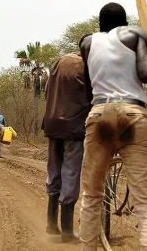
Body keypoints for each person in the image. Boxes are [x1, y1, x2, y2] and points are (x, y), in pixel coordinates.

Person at [79, 2, 147, 250]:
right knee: (146, 201)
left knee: (91, 196)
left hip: (99, 114)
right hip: (132, 114)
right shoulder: (135, 33)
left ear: (100, 26)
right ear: (124, 23)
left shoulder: (87, 43)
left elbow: (88, 89)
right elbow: (145, 73)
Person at [42, 52, 91, 243]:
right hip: (74, 127)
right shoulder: (86, 66)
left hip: (53, 125)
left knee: (54, 170)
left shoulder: (58, 62)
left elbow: (47, 90)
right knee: (70, 172)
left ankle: (51, 224)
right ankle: (68, 231)